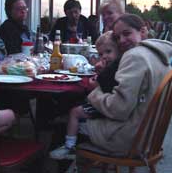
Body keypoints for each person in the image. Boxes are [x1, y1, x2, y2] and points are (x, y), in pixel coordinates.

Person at [78, 13, 172, 155]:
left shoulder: (135, 56)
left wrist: (96, 92)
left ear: (143, 31)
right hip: (150, 136)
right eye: (117, 37)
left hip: (129, 138)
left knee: (67, 122)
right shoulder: (158, 54)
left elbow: (118, 109)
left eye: (127, 33)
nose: (122, 40)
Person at [50, 31, 120, 160]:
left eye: (108, 52)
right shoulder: (115, 65)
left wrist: (99, 75)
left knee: (74, 112)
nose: (104, 57)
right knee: (76, 102)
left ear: (118, 50)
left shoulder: (115, 68)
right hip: (108, 104)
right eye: (101, 54)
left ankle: (69, 147)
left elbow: (102, 84)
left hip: (107, 107)